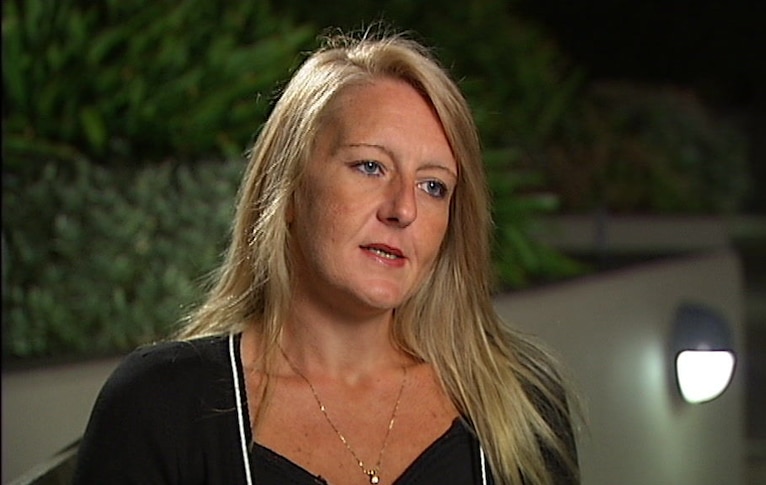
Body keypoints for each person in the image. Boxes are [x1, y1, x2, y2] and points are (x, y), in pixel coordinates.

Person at [74, 27, 580, 485]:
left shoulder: (517, 408)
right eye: (369, 166)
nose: (403, 208)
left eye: (433, 186)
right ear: (288, 190)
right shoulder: (161, 407)